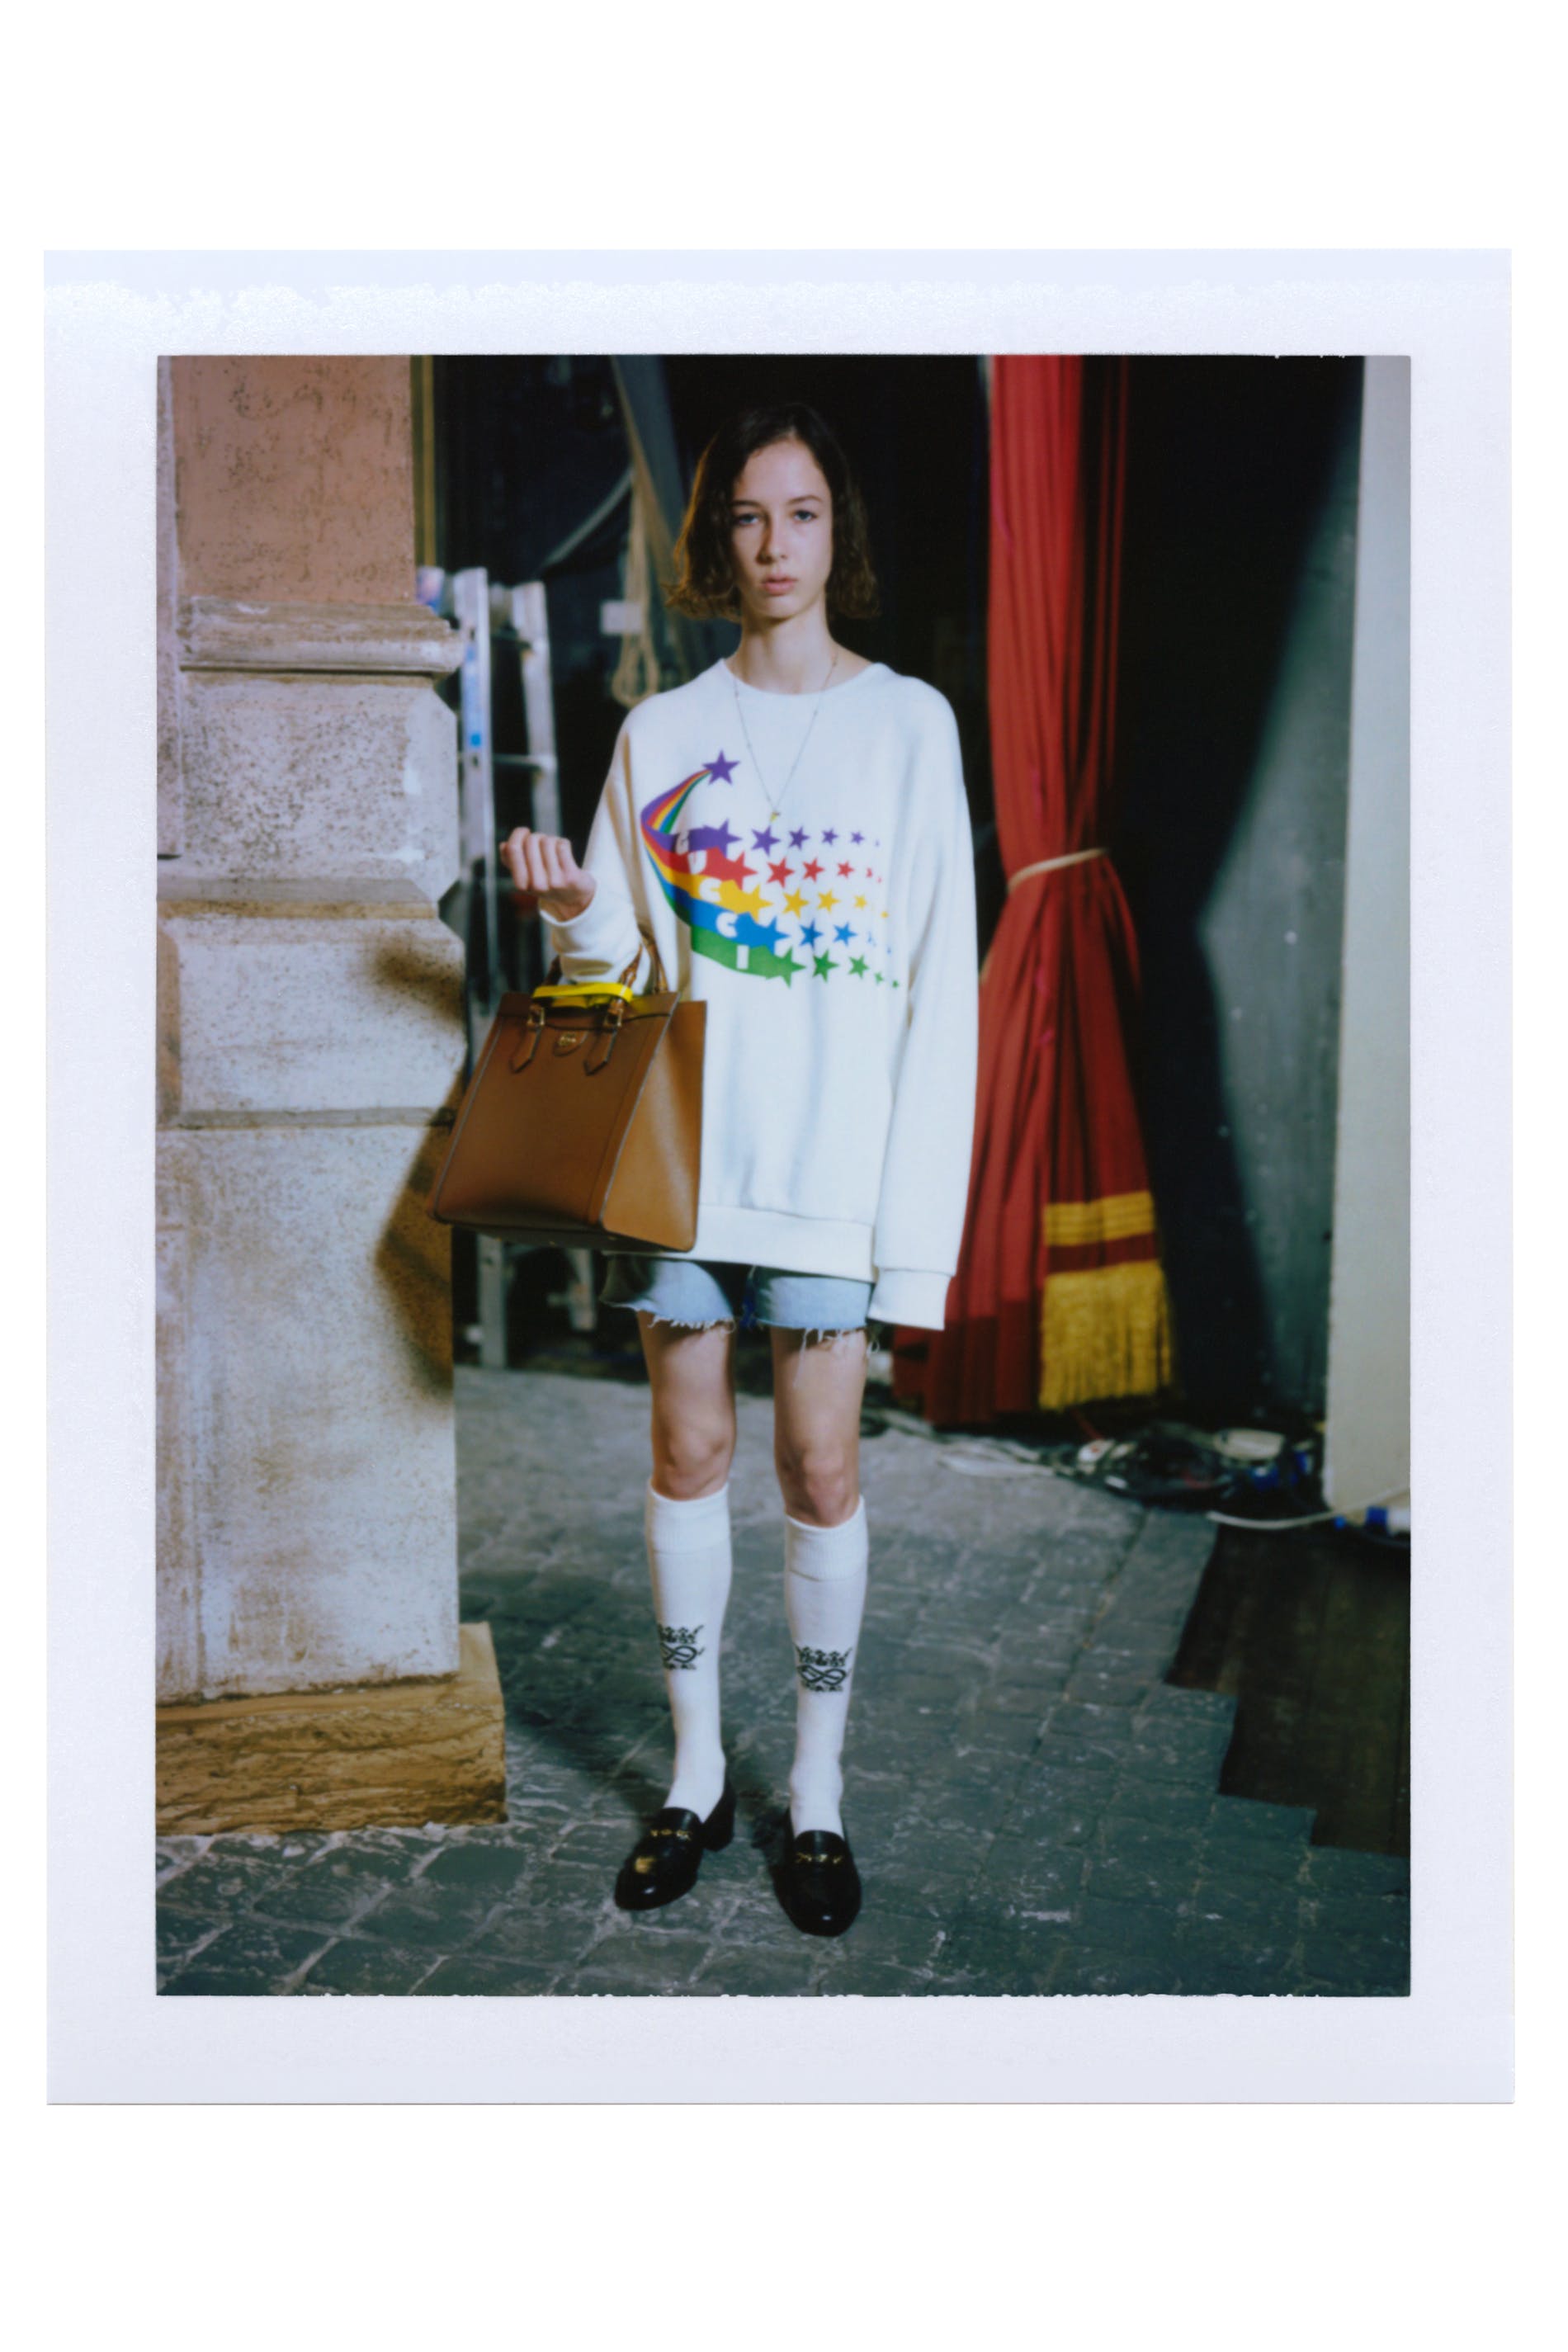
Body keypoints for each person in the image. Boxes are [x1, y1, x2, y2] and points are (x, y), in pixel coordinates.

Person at [501, 400, 978, 1938]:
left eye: (804, 514)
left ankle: (817, 1788)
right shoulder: (660, 733)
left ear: (841, 533)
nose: (777, 546)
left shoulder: (910, 726)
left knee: (821, 1469)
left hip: (834, 1174)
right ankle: (698, 1772)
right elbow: (612, 980)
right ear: (720, 536)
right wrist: (573, 910)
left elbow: (944, 993)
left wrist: (913, 1242)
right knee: (690, 1453)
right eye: (751, 517)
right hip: (689, 1170)